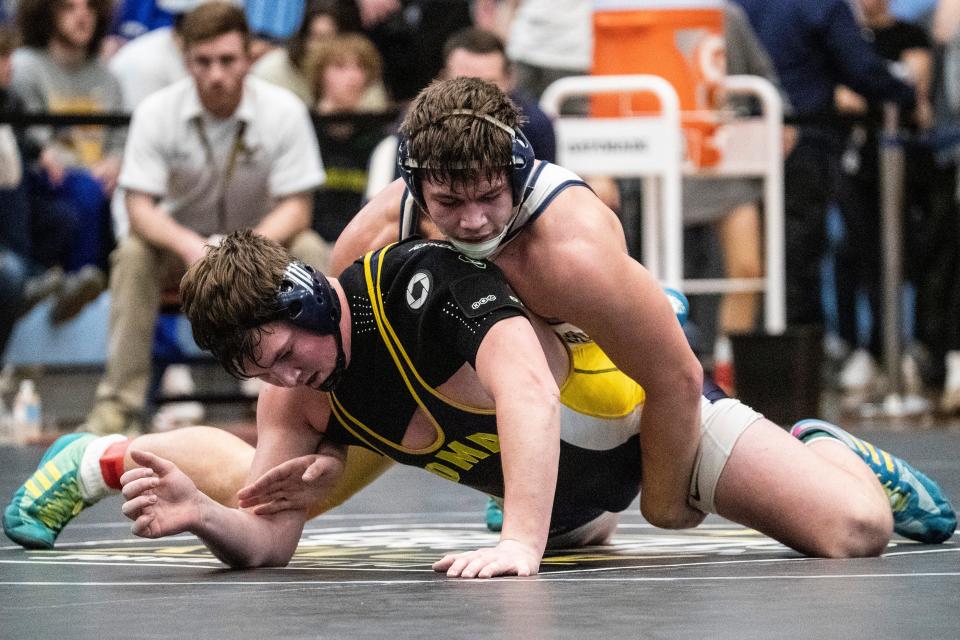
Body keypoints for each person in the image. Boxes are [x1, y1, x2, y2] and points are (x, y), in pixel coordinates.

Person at [4, 230, 954, 579]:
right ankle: (567, 520)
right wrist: (207, 516)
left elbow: (531, 390)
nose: (286, 379)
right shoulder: (303, 400)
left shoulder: (413, 281)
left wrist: (520, 545)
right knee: (573, 514)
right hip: (572, 486)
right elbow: (271, 535)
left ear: (302, 298)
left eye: (285, 351)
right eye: (264, 374)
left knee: (854, 532)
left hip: (640, 415)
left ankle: (833, 453)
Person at [82, 1, 328, 436]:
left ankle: (327, 393)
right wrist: (192, 247)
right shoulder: (157, 112)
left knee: (309, 248)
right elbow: (138, 206)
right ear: (186, 60)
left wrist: (243, 252)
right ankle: (118, 407)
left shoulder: (284, 110)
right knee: (133, 254)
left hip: (262, 249)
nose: (216, 74)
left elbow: (298, 206)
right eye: (204, 61)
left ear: (249, 56)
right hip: (182, 251)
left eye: (227, 60)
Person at [733, 0, 918, 329]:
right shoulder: (821, 5)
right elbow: (862, 69)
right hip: (804, 137)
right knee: (797, 254)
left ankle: (742, 354)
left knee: (742, 260)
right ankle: (792, 357)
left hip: (735, 139)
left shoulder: (737, 5)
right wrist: (907, 97)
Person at [12, 0, 124, 320]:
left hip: (99, 177)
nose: (82, 16)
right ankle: (84, 290)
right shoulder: (26, 66)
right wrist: (89, 171)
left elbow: (120, 139)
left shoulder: (107, 76)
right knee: (87, 192)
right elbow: (31, 140)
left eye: (89, 7)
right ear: (46, 13)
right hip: (43, 180)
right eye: (69, 7)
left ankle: (93, 295)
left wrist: (115, 161)